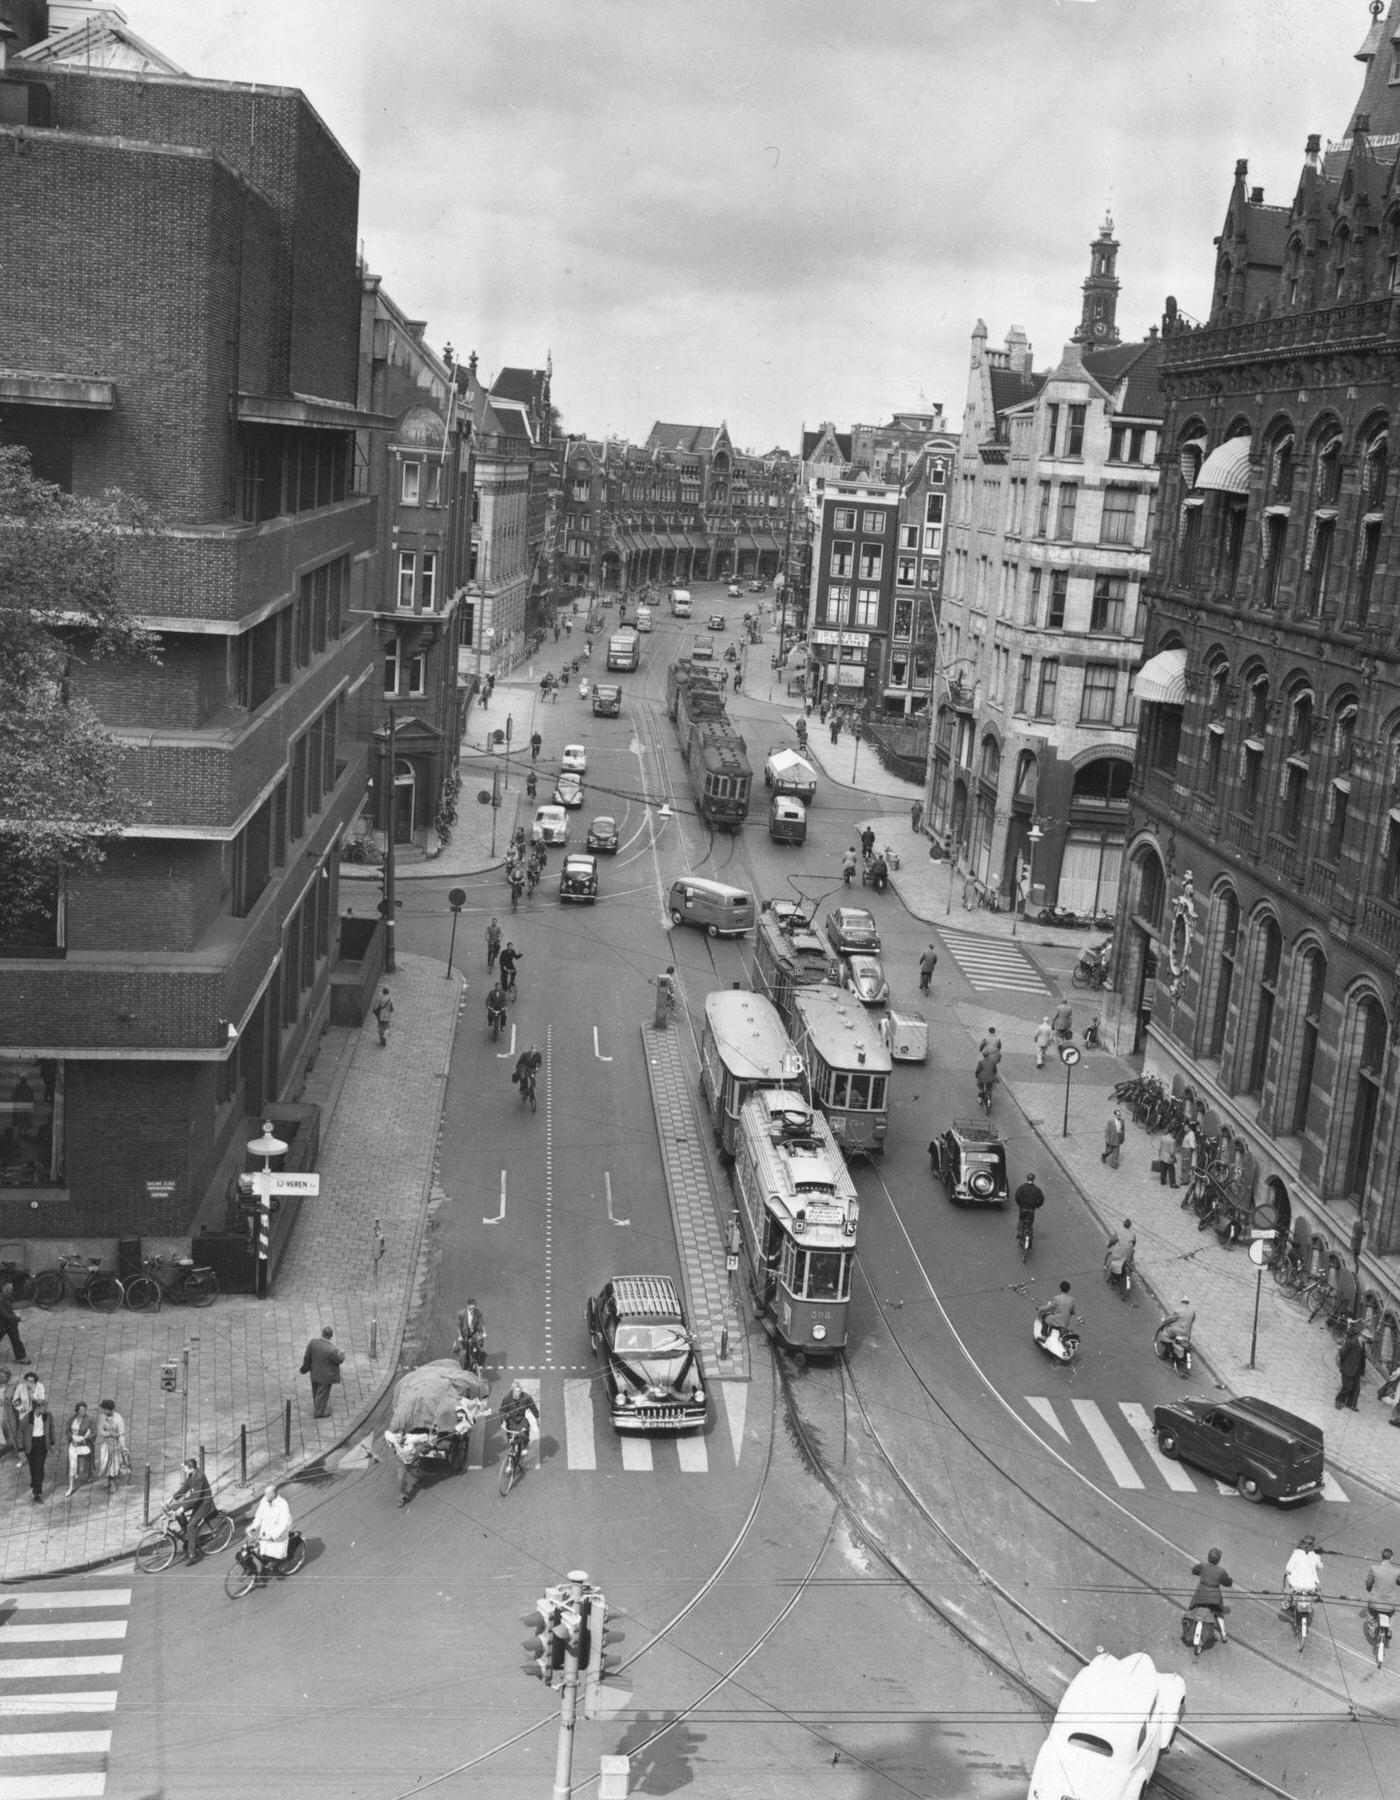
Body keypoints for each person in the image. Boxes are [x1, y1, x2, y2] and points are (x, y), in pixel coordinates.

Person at [170, 1457, 214, 1561]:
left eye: (185, 1468)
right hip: (196, 1500)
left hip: (203, 1503)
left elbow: (195, 1498)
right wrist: (172, 1499)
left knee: (191, 1526)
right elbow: (185, 1488)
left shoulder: (199, 1477)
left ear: (191, 1468)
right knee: (174, 1507)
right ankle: (188, 1535)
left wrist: (182, 1508)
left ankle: (193, 1554)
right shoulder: (191, 1474)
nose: (183, 1470)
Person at [1188, 1547, 1233, 1645]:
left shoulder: (1203, 1565)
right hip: (1214, 1596)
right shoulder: (1221, 1571)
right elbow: (1227, 1582)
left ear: (1208, 1557)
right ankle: (1224, 1634)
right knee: (1218, 1613)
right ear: (1218, 1560)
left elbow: (1194, 1570)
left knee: (1194, 1608)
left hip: (1201, 1593)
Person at [247, 1482, 293, 1576]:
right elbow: (259, 1515)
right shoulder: (264, 1500)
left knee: (274, 1552)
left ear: (274, 1494)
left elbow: (284, 1523)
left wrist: (274, 1535)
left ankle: (276, 1566)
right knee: (260, 1549)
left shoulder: (282, 1504)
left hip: (279, 1533)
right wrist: (253, 1526)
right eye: (265, 1493)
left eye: (268, 1494)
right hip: (267, 1531)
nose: (265, 1496)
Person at [300, 1324, 345, 1420]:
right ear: (331, 1336)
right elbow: (339, 1360)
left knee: (316, 1392)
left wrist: (304, 1368)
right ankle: (319, 1412)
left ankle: (318, 1407)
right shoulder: (331, 1349)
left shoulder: (313, 1343)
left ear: (322, 1333)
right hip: (325, 1377)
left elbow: (307, 1357)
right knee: (322, 1395)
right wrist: (342, 1353)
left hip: (314, 1373)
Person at [499, 1380, 540, 1462]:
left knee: (523, 1434)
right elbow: (502, 1410)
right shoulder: (507, 1398)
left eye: (519, 1391)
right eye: (516, 1392)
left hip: (522, 1420)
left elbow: (533, 1408)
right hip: (511, 1420)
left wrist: (537, 1418)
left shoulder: (526, 1397)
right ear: (512, 1391)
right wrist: (503, 1421)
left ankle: (524, 1447)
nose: (518, 1394)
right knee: (512, 1439)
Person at [1283, 1535, 1324, 1610]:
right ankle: (1316, 1597)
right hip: (1310, 1587)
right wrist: (1319, 1556)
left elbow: (1288, 1568)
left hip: (1296, 1586)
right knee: (1318, 1591)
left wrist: (1289, 1573)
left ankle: (1287, 1601)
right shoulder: (1315, 1556)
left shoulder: (1296, 1554)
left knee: (1288, 1588)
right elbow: (1320, 1567)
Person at [1036, 1280, 1080, 1347]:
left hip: (1056, 1321)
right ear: (1068, 1289)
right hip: (1065, 1323)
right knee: (1054, 1318)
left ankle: (1044, 1336)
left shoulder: (1057, 1298)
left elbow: (1047, 1308)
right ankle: (1061, 1336)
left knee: (1045, 1316)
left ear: (1060, 1288)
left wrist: (1040, 1309)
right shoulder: (1072, 1300)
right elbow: (1072, 1312)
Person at [1336, 1326, 1370, 1411]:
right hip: (1348, 1369)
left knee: (1356, 1388)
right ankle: (1339, 1401)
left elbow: (1362, 1359)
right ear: (1362, 1336)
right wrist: (1343, 1365)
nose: (1367, 1340)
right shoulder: (1352, 1343)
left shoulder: (1363, 1345)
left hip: (1357, 1370)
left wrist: (1362, 1371)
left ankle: (1351, 1404)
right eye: (1366, 1338)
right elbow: (1342, 1353)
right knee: (1347, 1387)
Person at [25, 1390, 51, 1502]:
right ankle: (34, 1482)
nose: (46, 1409)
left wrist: (52, 1443)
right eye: (44, 1407)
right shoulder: (27, 1418)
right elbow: (21, 1433)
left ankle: (37, 1493)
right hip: (31, 1444)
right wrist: (21, 1449)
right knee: (33, 1467)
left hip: (42, 1444)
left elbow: (51, 1429)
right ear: (38, 1408)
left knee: (39, 1468)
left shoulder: (47, 1416)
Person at [64, 1401, 94, 1496]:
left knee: (82, 1468)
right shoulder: (72, 1419)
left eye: (85, 1410)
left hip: (84, 1445)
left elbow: (94, 1432)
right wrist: (72, 1436)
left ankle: (89, 1473)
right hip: (73, 1445)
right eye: (81, 1410)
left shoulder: (89, 1420)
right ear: (77, 1411)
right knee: (72, 1466)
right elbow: (67, 1430)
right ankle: (71, 1486)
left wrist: (86, 1437)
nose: (83, 1412)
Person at [96, 1398, 126, 1490]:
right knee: (105, 1462)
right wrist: (109, 1434)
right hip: (106, 1443)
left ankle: (113, 1483)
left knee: (113, 1464)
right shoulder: (102, 1417)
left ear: (110, 1409)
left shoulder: (118, 1418)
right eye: (103, 1409)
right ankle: (108, 1480)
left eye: (106, 1409)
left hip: (115, 1445)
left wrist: (123, 1445)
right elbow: (101, 1430)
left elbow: (121, 1433)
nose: (104, 1411)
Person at [1365, 1548, 1400, 1621]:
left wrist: (1369, 1589)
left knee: (1371, 1619)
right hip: (1390, 1606)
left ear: (1382, 1557)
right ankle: (1389, 1629)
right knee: (1392, 1617)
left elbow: (1368, 1584)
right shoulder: (1397, 1571)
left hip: (1374, 1604)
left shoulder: (1374, 1569)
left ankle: (1372, 1631)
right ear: (1391, 1557)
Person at [0, 1282, 27, 1363]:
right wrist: (18, 1319)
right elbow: (4, 1314)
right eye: (9, 1287)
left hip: (10, 1323)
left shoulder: (7, 1296)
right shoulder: (0, 1299)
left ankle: (21, 1357)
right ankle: (21, 1357)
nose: (11, 1288)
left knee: (16, 1339)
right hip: (2, 1323)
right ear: (4, 1287)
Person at [1014, 1174, 1044, 1244]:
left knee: (1021, 1221)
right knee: (1030, 1225)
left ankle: (1020, 1233)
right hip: (1031, 1210)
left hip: (1023, 1209)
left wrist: (1020, 1205)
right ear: (1033, 1180)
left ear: (1027, 1178)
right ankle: (1030, 1239)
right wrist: (1037, 1205)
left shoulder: (1022, 1187)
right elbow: (1042, 1199)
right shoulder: (1037, 1189)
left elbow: (1017, 1197)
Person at [456, 1299, 486, 1371]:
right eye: (471, 1308)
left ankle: (479, 1360)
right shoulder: (461, 1314)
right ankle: (462, 1368)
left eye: (474, 1308)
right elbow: (458, 1326)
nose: (472, 1310)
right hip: (464, 1334)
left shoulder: (478, 1313)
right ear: (467, 1306)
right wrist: (460, 1336)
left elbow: (481, 1323)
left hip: (474, 1333)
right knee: (463, 1352)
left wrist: (484, 1332)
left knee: (479, 1345)